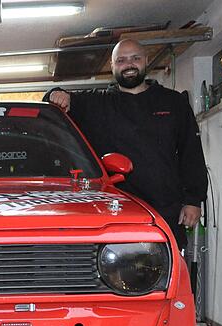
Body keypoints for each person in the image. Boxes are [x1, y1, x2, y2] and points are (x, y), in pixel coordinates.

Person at [44, 38, 208, 250]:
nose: (129, 65)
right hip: (114, 212)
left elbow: (191, 152)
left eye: (135, 58)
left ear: (146, 61)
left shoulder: (173, 102)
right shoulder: (97, 103)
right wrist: (56, 94)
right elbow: (51, 99)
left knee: (170, 273)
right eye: (121, 60)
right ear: (112, 66)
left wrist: (194, 200)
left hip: (165, 208)